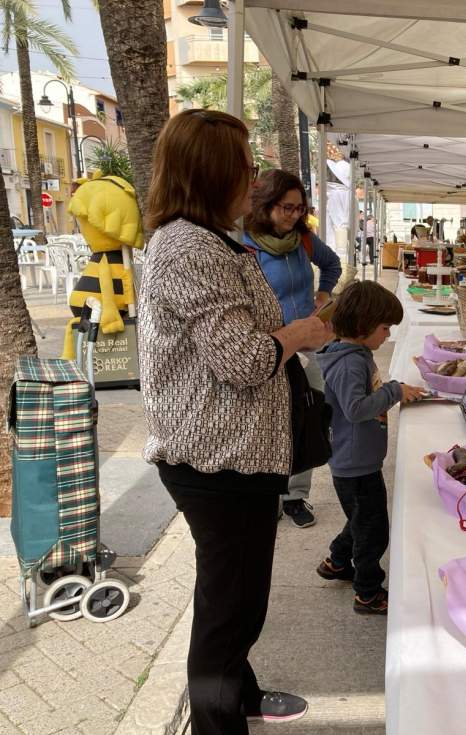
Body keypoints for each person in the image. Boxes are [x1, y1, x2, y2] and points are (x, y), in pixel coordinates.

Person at [139, 109, 333, 733]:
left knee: (235, 598)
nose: (253, 181)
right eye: (246, 167)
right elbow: (243, 360)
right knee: (231, 607)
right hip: (215, 458)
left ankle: (240, 694)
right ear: (214, 171)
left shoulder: (205, 238)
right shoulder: (188, 246)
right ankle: (219, 719)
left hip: (234, 454)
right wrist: (297, 333)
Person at [314, 281, 428, 614]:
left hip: (357, 459)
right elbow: (356, 408)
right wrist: (393, 391)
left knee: (360, 519)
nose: (388, 336)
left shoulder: (355, 354)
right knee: (373, 530)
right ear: (364, 327)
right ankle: (368, 592)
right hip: (355, 464)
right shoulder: (351, 364)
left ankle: (337, 561)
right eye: (385, 328)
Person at [244, 169, 342, 528]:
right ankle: (270, 492)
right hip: (272, 348)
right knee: (272, 422)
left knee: (307, 420)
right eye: (287, 208)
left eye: (299, 208)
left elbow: (332, 264)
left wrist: (323, 293)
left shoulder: (304, 240)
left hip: (310, 345)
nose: (294, 215)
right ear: (266, 205)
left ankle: (296, 497)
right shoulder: (245, 245)